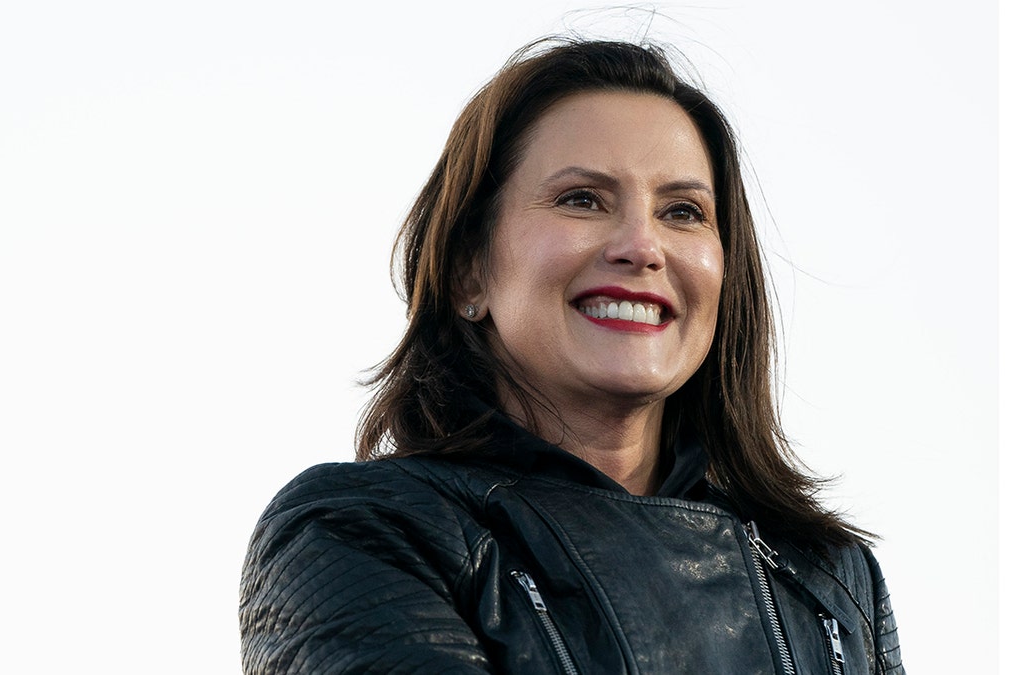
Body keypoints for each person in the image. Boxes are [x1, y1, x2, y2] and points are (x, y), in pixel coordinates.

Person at [239, 37, 905, 674]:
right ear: (470, 270)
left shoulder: (832, 577)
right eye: (582, 199)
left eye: (682, 211)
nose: (642, 246)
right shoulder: (360, 531)